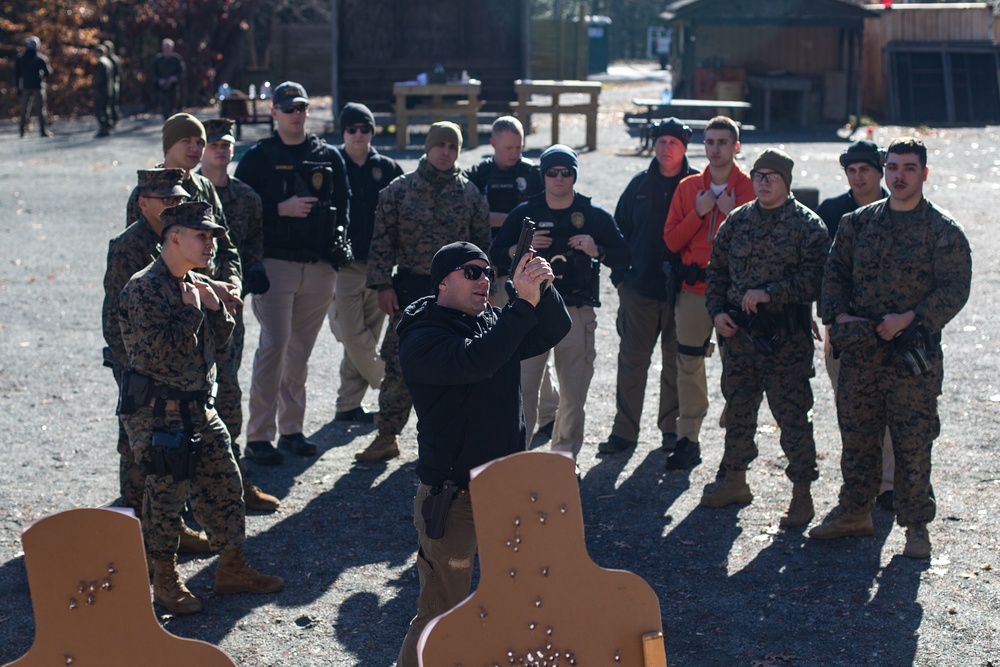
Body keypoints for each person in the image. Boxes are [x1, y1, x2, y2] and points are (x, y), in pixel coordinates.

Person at [395, 241, 571, 667]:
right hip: (454, 498)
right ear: (442, 282)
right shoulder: (423, 335)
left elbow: (552, 330)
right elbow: (477, 361)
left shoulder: (490, 321)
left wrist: (540, 286)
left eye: (487, 272)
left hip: (504, 486)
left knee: (518, 601)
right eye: (470, 273)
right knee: (442, 612)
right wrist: (520, 305)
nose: (483, 280)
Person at [117, 201, 284, 615]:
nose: (211, 243)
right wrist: (194, 310)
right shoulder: (144, 288)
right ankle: (165, 578)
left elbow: (220, 343)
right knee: (165, 499)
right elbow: (161, 354)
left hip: (199, 407)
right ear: (174, 237)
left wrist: (214, 309)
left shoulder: (196, 281)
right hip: (158, 413)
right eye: (202, 236)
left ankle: (231, 568)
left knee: (226, 486)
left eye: (211, 236)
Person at [810, 138, 972, 559]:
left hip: (910, 358)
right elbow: (834, 275)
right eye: (894, 167)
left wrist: (912, 318)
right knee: (858, 437)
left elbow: (956, 288)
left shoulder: (943, 231)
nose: (899, 176)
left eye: (910, 168)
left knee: (913, 442)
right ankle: (854, 512)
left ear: (924, 174)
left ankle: (916, 527)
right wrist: (837, 316)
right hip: (861, 354)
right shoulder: (857, 224)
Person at [701, 149, 830, 529]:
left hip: (786, 341)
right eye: (758, 174)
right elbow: (717, 273)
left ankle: (802, 495)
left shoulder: (808, 226)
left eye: (772, 176)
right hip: (740, 338)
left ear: (786, 181)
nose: (763, 181)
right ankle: (735, 481)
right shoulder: (737, 221)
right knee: (739, 411)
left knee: (792, 417)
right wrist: (717, 312)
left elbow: (819, 278)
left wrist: (771, 292)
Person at [355, 121, 491, 463]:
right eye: (439, 145)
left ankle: (451, 443)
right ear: (428, 148)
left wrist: (478, 293)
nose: (445, 152)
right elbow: (382, 243)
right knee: (399, 368)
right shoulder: (398, 191)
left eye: (452, 147)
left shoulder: (471, 194)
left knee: (456, 368)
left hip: (457, 298)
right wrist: (383, 285)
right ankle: (387, 435)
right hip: (409, 293)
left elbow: (482, 251)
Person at [234, 81, 351, 465]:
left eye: (301, 107)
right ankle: (258, 436)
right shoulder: (258, 158)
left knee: (299, 353)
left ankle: (292, 430)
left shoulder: (328, 154)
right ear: (274, 114)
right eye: (288, 108)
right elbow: (240, 212)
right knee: (274, 347)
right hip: (276, 266)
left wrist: (339, 244)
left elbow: (344, 206)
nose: (296, 114)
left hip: (319, 267)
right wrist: (278, 209)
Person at [491, 144, 630, 459]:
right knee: (523, 390)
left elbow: (625, 254)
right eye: (552, 172)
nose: (559, 178)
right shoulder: (525, 214)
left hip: (576, 311)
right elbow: (494, 254)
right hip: (531, 312)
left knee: (573, 394)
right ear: (543, 175)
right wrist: (517, 249)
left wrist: (598, 250)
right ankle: (516, 458)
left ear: (574, 175)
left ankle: (563, 460)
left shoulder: (591, 215)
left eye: (566, 172)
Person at [598, 119, 697, 456]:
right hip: (638, 290)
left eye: (673, 142)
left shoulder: (698, 185)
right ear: (653, 145)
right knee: (631, 364)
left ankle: (671, 430)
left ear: (684, 146)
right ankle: (624, 432)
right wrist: (620, 279)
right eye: (661, 141)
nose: (666, 148)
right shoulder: (638, 185)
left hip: (683, 292)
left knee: (676, 365)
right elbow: (616, 233)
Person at [662, 116, 755, 470]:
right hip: (693, 289)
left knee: (739, 364)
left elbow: (758, 244)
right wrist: (699, 214)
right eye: (710, 142)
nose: (715, 149)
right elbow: (671, 241)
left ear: (736, 146)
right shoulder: (688, 188)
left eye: (723, 142)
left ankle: (737, 437)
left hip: (735, 291)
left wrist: (733, 215)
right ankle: (688, 438)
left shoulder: (749, 187)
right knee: (688, 362)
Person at [198, 118, 279, 511]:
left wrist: (250, 272)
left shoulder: (246, 197)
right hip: (188, 309)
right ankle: (188, 485)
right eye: (213, 143)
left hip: (229, 309)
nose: (221, 150)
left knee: (228, 389)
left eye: (226, 144)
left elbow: (249, 242)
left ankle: (233, 478)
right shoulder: (181, 192)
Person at [465, 116, 558, 440]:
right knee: (508, 339)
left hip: (523, 271)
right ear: (492, 145)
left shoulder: (531, 174)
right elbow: (469, 213)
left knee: (529, 342)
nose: (515, 153)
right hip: (490, 265)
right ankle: (540, 407)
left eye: (519, 147)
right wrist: (510, 221)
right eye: (508, 148)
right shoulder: (478, 175)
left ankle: (548, 410)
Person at [815, 139, 895, 512]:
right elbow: (821, 272)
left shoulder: (900, 207)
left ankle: (889, 484)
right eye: (852, 170)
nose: (858, 177)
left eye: (865, 170)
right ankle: (859, 483)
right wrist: (829, 319)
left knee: (892, 408)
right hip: (844, 329)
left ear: (880, 171)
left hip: (890, 329)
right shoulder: (832, 211)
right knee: (852, 409)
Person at [326, 102, 402, 424]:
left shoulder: (387, 168)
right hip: (341, 264)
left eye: (365, 128)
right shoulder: (330, 163)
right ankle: (389, 386)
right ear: (342, 132)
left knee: (368, 331)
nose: (359, 135)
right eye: (352, 129)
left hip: (379, 264)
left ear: (373, 131)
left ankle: (347, 405)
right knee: (352, 333)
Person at [14, 36, 52, 138]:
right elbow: (48, 73)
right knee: (41, 110)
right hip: (38, 86)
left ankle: (22, 131)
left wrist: (18, 87)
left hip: (25, 87)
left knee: (24, 110)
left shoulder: (20, 58)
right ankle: (43, 131)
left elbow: (17, 75)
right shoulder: (40, 58)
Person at [152, 38, 184, 119]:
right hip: (162, 87)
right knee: (164, 106)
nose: (167, 49)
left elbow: (182, 72)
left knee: (174, 106)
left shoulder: (177, 59)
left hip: (173, 86)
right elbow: (153, 73)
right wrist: (159, 80)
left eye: (169, 47)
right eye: (165, 47)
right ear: (162, 47)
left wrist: (174, 78)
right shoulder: (158, 59)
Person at [92, 44, 114, 137]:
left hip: (101, 90)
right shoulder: (109, 62)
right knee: (106, 109)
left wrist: (95, 86)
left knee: (100, 110)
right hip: (108, 89)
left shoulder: (101, 63)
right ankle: (107, 126)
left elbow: (99, 79)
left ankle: (103, 128)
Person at [103, 39, 122, 127]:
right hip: (108, 84)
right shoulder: (105, 60)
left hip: (114, 83)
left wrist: (115, 84)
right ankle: (110, 120)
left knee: (113, 103)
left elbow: (118, 73)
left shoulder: (114, 59)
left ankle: (115, 120)